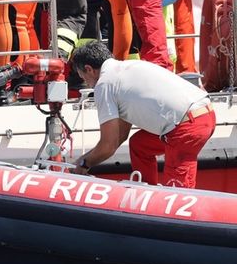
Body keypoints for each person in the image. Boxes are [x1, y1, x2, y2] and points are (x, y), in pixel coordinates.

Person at [71, 41, 215, 188]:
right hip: (203, 114)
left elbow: (109, 145)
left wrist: (83, 163)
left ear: (89, 69)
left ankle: (163, 200)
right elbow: (120, 136)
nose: (87, 84)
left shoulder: (104, 84)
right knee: (139, 145)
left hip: (186, 127)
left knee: (178, 194)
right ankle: (146, 188)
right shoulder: (130, 68)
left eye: (83, 78)